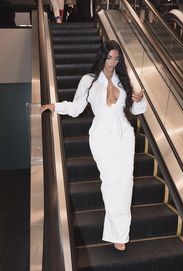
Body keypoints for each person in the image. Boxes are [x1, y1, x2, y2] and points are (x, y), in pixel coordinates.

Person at [41, 40, 146, 251]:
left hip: (124, 135)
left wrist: (139, 99)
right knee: (110, 182)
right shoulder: (88, 80)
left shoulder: (124, 80)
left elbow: (135, 110)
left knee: (125, 182)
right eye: (109, 58)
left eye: (116, 59)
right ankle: (116, 230)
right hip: (101, 137)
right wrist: (56, 106)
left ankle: (120, 234)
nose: (112, 63)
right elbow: (77, 107)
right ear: (102, 56)